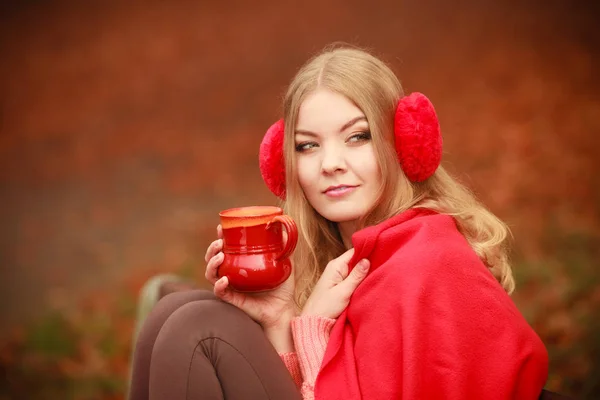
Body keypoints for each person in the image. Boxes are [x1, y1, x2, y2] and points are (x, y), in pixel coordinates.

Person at [128, 44, 551, 400]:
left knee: (199, 329)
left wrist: (310, 328)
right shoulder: (344, 258)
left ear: (403, 141)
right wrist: (282, 320)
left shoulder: (430, 263)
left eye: (358, 137)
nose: (330, 164)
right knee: (179, 308)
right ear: (285, 163)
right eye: (308, 146)